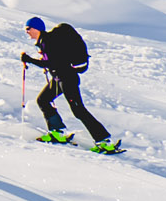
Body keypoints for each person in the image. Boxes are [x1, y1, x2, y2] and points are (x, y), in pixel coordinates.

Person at [20, 16, 117, 152]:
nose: (26, 31)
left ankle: (105, 141)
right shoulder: (43, 42)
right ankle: (58, 132)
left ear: (36, 28)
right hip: (58, 79)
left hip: (67, 79)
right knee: (43, 100)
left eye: (28, 28)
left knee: (78, 110)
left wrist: (30, 60)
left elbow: (53, 62)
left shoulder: (49, 41)